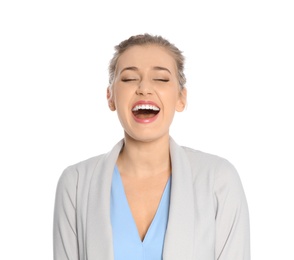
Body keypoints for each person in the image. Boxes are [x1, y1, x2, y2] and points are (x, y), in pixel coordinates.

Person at [53, 33, 250, 260]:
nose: (144, 88)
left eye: (161, 79)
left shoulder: (218, 180)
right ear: (110, 97)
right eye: (128, 79)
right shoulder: (76, 183)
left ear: (181, 98)